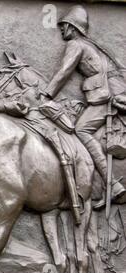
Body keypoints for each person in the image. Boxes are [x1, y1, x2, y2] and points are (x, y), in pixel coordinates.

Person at [41, 5, 126, 208]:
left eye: (64, 26)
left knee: (81, 130)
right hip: (108, 94)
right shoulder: (90, 46)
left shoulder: (76, 45)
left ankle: (113, 185)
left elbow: (64, 71)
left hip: (104, 97)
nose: (61, 30)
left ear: (73, 27)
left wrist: (46, 94)